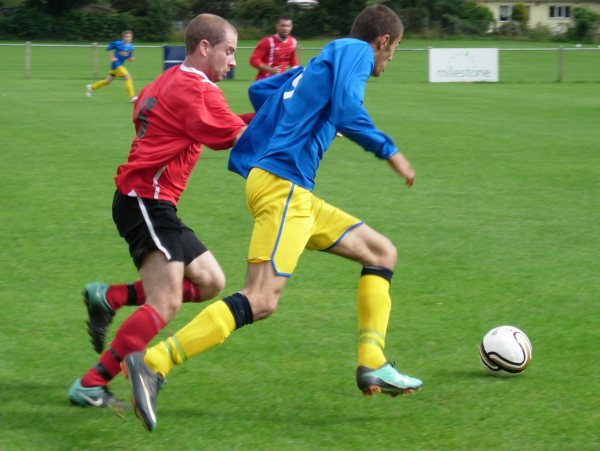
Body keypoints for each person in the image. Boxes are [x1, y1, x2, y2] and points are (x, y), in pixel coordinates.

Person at [122, 4, 422, 432]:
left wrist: (304, 112)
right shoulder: (356, 51)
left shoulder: (320, 61)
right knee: (260, 299)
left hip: (292, 190)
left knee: (381, 252)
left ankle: (372, 363)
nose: (389, 61)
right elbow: (346, 109)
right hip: (283, 189)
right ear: (384, 41)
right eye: (393, 52)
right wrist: (389, 150)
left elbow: (264, 94)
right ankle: (154, 361)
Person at [68, 13, 253, 408]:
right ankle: (91, 383)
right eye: (230, 51)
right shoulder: (198, 89)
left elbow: (218, 125)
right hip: (145, 201)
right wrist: (301, 119)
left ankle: (111, 296)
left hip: (148, 200)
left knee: (210, 282)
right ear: (205, 47)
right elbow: (236, 138)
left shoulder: (167, 79)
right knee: (165, 302)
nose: (234, 61)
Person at [85, 30, 138, 103]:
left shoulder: (131, 46)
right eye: (127, 36)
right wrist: (112, 57)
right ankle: (132, 97)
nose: (129, 38)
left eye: (130, 37)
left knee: (107, 81)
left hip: (119, 65)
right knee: (127, 77)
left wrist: (131, 58)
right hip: (116, 64)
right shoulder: (117, 43)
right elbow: (108, 48)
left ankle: (91, 87)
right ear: (123, 37)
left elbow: (129, 56)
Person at [249, 16, 299, 80]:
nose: (285, 28)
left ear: (291, 27)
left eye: (288, 26)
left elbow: (293, 61)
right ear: (277, 27)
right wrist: (270, 69)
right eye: (282, 26)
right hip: (264, 80)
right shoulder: (267, 41)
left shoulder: (293, 41)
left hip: (280, 81)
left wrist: (297, 72)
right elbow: (254, 60)